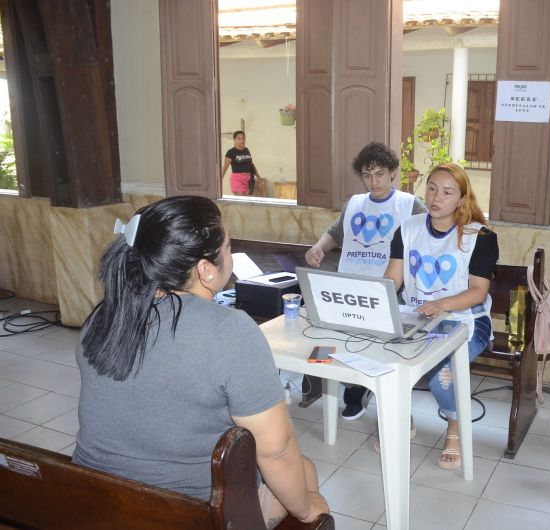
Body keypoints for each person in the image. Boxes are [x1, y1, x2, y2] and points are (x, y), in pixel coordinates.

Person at [73, 196, 329, 529]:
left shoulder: (103, 317)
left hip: (93, 502)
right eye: (227, 247)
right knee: (304, 471)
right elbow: (276, 450)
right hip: (191, 514)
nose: (230, 255)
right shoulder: (231, 331)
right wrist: (308, 511)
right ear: (206, 270)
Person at [384, 163, 498, 469]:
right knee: (383, 357)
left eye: (447, 192)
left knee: (442, 375)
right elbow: (393, 280)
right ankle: (401, 419)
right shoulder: (407, 229)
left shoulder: (480, 236)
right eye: (432, 188)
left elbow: (477, 291)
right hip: (417, 316)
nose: (437, 197)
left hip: (465, 319)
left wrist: (443, 304)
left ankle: (455, 425)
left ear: (462, 198)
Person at [305, 141, 427, 420]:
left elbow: (429, 237)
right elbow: (335, 233)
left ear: (393, 172)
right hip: (350, 284)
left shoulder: (409, 205)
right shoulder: (355, 204)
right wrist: (318, 248)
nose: (374, 182)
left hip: (390, 290)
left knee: (383, 347)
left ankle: (389, 397)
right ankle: (353, 390)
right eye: (368, 175)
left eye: (380, 174)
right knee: (344, 341)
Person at [221, 130, 264, 196]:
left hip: (247, 179)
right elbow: (225, 168)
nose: (242, 140)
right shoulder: (231, 152)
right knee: (241, 200)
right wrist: (219, 182)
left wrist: (259, 178)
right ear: (234, 140)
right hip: (237, 180)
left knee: (246, 202)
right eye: (239, 138)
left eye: (243, 138)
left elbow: (251, 165)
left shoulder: (246, 150)